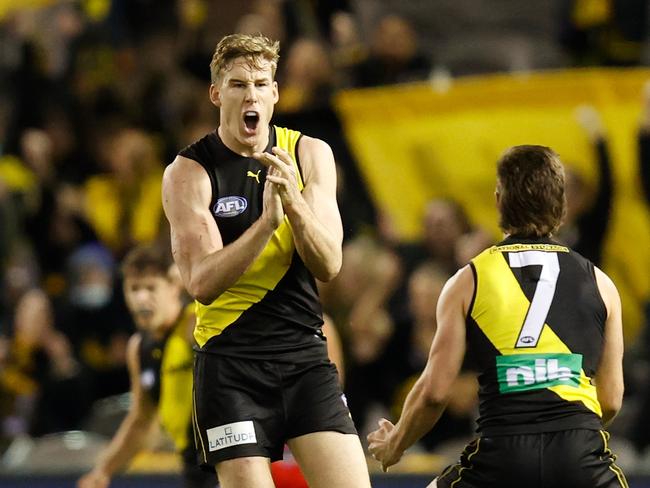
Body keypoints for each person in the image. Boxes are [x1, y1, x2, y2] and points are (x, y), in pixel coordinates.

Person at [161, 34, 371, 488]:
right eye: (238, 85)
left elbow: (329, 264)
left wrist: (293, 205)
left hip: (304, 358)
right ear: (217, 94)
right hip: (231, 366)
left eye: (261, 83)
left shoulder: (309, 154)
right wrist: (266, 223)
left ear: (275, 93)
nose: (250, 94)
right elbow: (201, 281)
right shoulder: (189, 172)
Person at [367, 145, 627, 488]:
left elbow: (434, 391)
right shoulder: (602, 284)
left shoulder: (467, 280)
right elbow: (610, 399)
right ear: (561, 206)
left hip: (502, 455)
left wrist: (395, 444)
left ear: (498, 200)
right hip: (580, 458)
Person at [77, 244, 214, 488]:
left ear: (174, 286)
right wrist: (102, 471)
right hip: (191, 463)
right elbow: (141, 421)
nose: (142, 298)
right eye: (134, 289)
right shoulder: (138, 348)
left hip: (223, 453)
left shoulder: (196, 324)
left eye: (151, 288)